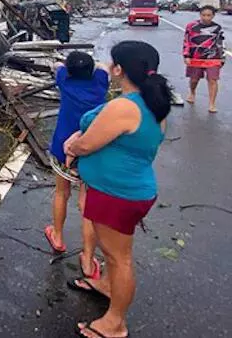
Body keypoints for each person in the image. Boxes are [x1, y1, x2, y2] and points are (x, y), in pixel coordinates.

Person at [64, 41, 171, 338]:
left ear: (120, 69)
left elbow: (88, 144)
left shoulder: (125, 106)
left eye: (113, 63)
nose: (110, 68)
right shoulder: (151, 101)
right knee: (115, 252)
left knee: (118, 257)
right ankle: (108, 285)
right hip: (123, 191)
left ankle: (115, 323)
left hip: (118, 195)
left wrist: (73, 146)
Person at [44, 51, 109, 282]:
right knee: (88, 205)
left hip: (64, 146)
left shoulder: (65, 80)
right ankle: (88, 259)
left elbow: (57, 65)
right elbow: (103, 66)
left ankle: (58, 237)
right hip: (93, 148)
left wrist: (63, 63)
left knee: (62, 193)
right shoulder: (100, 82)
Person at [183, 5, 225, 113]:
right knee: (194, 79)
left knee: (213, 80)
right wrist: (186, 55)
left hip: (213, 57)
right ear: (200, 15)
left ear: (213, 16)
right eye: (204, 15)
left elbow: (220, 43)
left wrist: (222, 58)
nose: (206, 18)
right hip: (196, 57)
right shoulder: (191, 26)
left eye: (209, 15)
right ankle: (192, 92)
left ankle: (212, 104)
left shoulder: (218, 28)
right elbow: (186, 41)